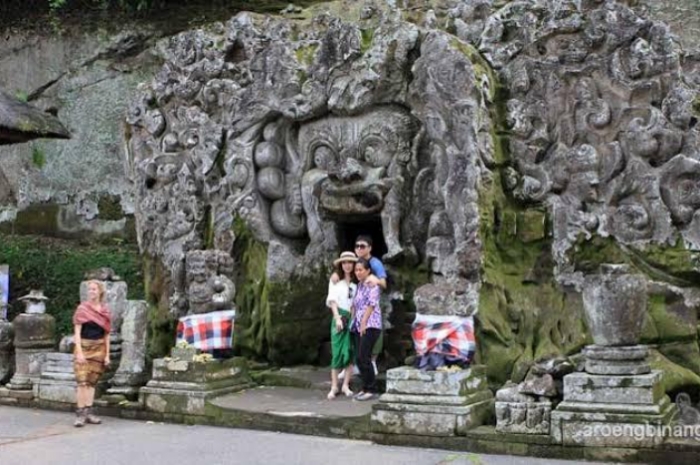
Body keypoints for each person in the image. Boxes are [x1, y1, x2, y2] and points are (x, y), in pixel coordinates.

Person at [333, 235, 387, 379]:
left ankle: (372, 364)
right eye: (357, 246)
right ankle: (351, 365)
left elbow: (384, 283)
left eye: (362, 246)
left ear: (370, 248)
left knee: (372, 335)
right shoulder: (356, 264)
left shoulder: (374, 263)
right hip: (355, 304)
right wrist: (336, 274)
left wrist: (375, 279)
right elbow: (347, 271)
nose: (359, 249)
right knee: (353, 337)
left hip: (371, 306)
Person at [72, 280, 111, 427]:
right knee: (82, 382)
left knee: (91, 383)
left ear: (100, 291)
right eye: (90, 289)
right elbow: (77, 332)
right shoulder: (82, 309)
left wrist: (107, 355)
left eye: (94, 289)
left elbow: (107, 335)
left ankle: (89, 413)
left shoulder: (105, 311)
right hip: (83, 346)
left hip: (99, 348)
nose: (92, 292)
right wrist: (80, 352)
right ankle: (80, 414)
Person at [325, 251, 358, 400]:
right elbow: (332, 301)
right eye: (344, 262)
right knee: (337, 352)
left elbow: (355, 304)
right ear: (340, 264)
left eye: (350, 262)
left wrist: (354, 319)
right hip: (339, 317)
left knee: (350, 352)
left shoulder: (356, 283)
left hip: (351, 318)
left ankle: (345, 384)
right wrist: (337, 317)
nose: (347, 265)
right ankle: (334, 386)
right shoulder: (335, 280)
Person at [351, 258, 382, 401]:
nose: (358, 272)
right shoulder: (359, 285)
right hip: (358, 325)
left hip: (371, 325)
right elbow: (355, 305)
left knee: (364, 356)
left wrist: (363, 322)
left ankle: (372, 389)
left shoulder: (371, 284)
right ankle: (365, 387)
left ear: (368, 271)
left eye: (360, 270)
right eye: (356, 270)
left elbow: (372, 304)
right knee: (358, 358)